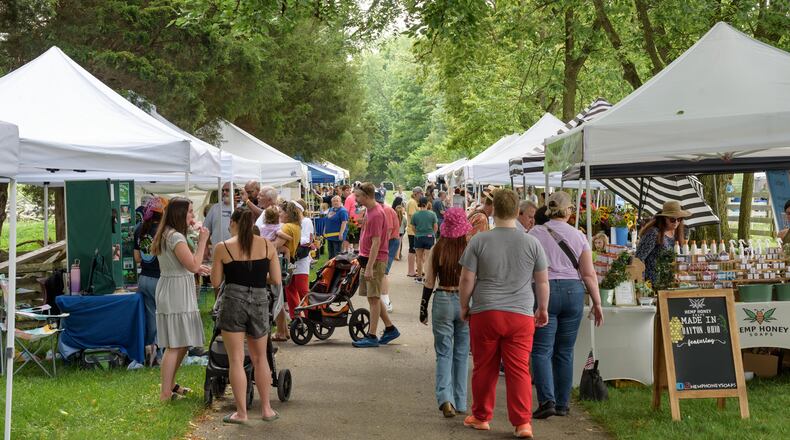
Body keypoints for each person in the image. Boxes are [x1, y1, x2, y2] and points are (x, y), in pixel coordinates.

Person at [459, 189, 549, 438]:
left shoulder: (480, 240)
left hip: (486, 311)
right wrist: (542, 308)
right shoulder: (532, 242)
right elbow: (542, 282)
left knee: (484, 366)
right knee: (519, 369)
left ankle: (481, 416)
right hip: (520, 314)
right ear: (516, 210)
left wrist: (464, 305)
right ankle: (522, 423)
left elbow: (467, 278)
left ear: (494, 210)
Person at [528, 191, 605, 420]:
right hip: (573, 291)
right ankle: (562, 403)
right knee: (565, 351)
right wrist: (597, 302)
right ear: (569, 211)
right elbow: (589, 274)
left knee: (542, 350)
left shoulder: (534, 233)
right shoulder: (579, 236)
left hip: (545, 291)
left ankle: (547, 400)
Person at [211, 207, 281, 423]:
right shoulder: (267, 245)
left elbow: (215, 282)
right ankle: (267, 410)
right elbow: (276, 280)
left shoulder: (222, 248)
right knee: (261, 358)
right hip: (259, 300)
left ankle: (241, 413)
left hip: (233, 300)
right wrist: (258, 278)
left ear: (232, 223)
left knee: (236, 359)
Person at [150, 197, 210, 401]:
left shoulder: (168, 233)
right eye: (190, 212)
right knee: (175, 344)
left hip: (173, 286)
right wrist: (202, 242)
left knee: (182, 342)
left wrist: (195, 266)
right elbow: (193, 265)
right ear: (179, 214)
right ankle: (165, 392)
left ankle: (171, 385)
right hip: (175, 291)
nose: (193, 216)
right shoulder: (175, 237)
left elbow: (184, 264)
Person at [420, 207, 472, 418]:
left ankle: (445, 398)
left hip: (442, 299)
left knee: (443, 352)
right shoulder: (470, 248)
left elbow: (429, 281)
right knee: (461, 353)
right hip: (465, 301)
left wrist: (423, 308)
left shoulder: (437, 248)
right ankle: (460, 401)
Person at [352, 182, 400, 348]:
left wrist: (370, 266)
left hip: (376, 260)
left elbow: (376, 242)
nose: (355, 199)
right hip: (367, 258)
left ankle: (372, 336)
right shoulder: (370, 211)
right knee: (373, 296)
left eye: (358, 196)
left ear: (366, 196)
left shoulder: (376, 213)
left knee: (373, 299)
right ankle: (390, 328)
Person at [133, 196, 167, 366]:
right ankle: (159, 353)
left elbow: (137, 258)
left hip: (144, 278)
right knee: (162, 317)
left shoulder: (139, 228)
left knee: (150, 317)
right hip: (160, 278)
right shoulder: (164, 231)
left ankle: (148, 347)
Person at [636, 200, 690, 285]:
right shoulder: (653, 233)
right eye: (672, 219)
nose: (676, 222)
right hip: (654, 283)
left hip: (672, 282)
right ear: (664, 218)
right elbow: (639, 258)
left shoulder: (677, 234)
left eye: (679, 219)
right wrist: (642, 283)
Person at [272, 201, 302, 341]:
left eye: (281, 212)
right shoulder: (296, 226)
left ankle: (281, 332)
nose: (279, 214)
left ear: (288, 214)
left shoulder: (287, 227)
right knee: (281, 298)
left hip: (280, 264)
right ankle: (284, 331)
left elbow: (275, 245)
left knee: (277, 298)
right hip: (290, 264)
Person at [379, 191, 400, 313]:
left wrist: (382, 246)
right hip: (388, 241)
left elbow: (388, 230)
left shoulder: (385, 210)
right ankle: (383, 299)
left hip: (390, 242)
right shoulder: (381, 209)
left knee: (383, 272)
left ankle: (386, 301)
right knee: (381, 272)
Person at [412, 196, 438, 282]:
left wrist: (418, 234)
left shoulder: (415, 214)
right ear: (427, 204)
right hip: (429, 237)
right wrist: (432, 234)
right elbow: (435, 227)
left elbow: (413, 227)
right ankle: (427, 277)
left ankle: (419, 277)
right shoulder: (432, 214)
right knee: (428, 258)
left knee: (419, 258)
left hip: (419, 237)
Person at [205, 182, 233, 247]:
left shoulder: (240, 208)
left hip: (236, 251)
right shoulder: (215, 208)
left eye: (227, 190)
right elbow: (206, 229)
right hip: (217, 250)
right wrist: (205, 247)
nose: (224, 192)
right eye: (223, 190)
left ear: (234, 191)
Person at [405, 187, 423, 277]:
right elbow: (413, 217)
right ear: (416, 193)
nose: (421, 195)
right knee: (412, 250)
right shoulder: (412, 202)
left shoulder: (414, 202)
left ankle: (416, 269)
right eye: (421, 194)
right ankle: (410, 271)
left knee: (415, 251)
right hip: (413, 230)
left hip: (414, 230)